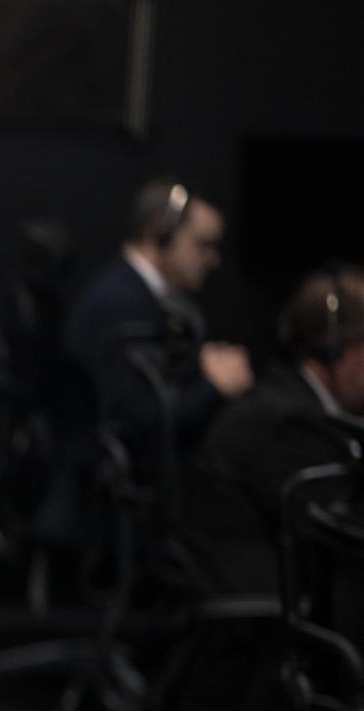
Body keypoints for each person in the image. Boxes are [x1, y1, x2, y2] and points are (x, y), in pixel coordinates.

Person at [42, 178, 254, 546]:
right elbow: (140, 419)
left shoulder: (135, 295)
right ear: (162, 233)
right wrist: (213, 387)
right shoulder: (123, 305)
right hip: (117, 507)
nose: (213, 259)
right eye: (203, 245)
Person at [181, 267, 364, 593]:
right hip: (267, 623)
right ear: (343, 352)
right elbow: (339, 537)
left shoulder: (290, 399)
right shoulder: (286, 421)